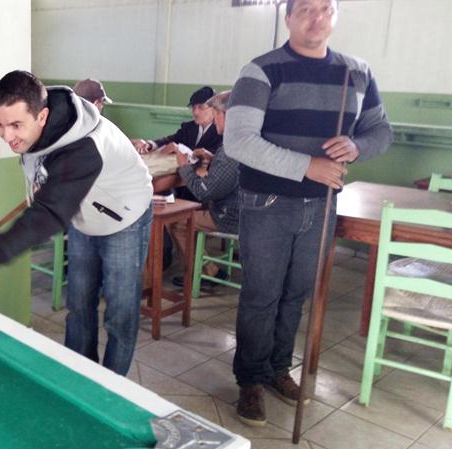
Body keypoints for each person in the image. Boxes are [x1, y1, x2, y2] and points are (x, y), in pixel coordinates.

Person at [224, 0, 392, 427]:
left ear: (335, 15)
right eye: (305, 10)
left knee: (296, 295)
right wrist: (307, 166)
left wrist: (357, 146)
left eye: (325, 9)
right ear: (288, 18)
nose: (316, 18)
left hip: (322, 204)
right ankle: (250, 380)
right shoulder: (261, 71)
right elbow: (239, 141)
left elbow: (381, 131)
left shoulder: (357, 73)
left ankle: (277, 369)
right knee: (261, 296)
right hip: (267, 203)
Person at [0, 71, 153, 376]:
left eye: (15, 125)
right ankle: (77, 376)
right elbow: (46, 178)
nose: (7, 136)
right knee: (79, 305)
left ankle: (112, 388)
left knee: (120, 315)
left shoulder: (84, 147)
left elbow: (49, 214)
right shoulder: (36, 124)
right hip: (85, 215)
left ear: (42, 117)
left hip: (125, 216)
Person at [163, 91, 239, 288]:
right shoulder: (244, 141)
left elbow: (204, 192)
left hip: (230, 215)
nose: (214, 119)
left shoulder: (230, 147)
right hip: (243, 209)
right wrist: (212, 160)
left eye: (216, 113)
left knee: (177, 221)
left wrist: (184, 166)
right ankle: (205, 269)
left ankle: (205, 273)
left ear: (228, 115)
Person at [131, 86, 222, 156]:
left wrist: (180, 149)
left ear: (214, 108)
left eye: (201, 107)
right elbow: (171, 140)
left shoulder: (221, 130)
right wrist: (150, 144)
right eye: (193, 107)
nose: (195, 112)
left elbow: (212, 154)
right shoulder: (188, 127)